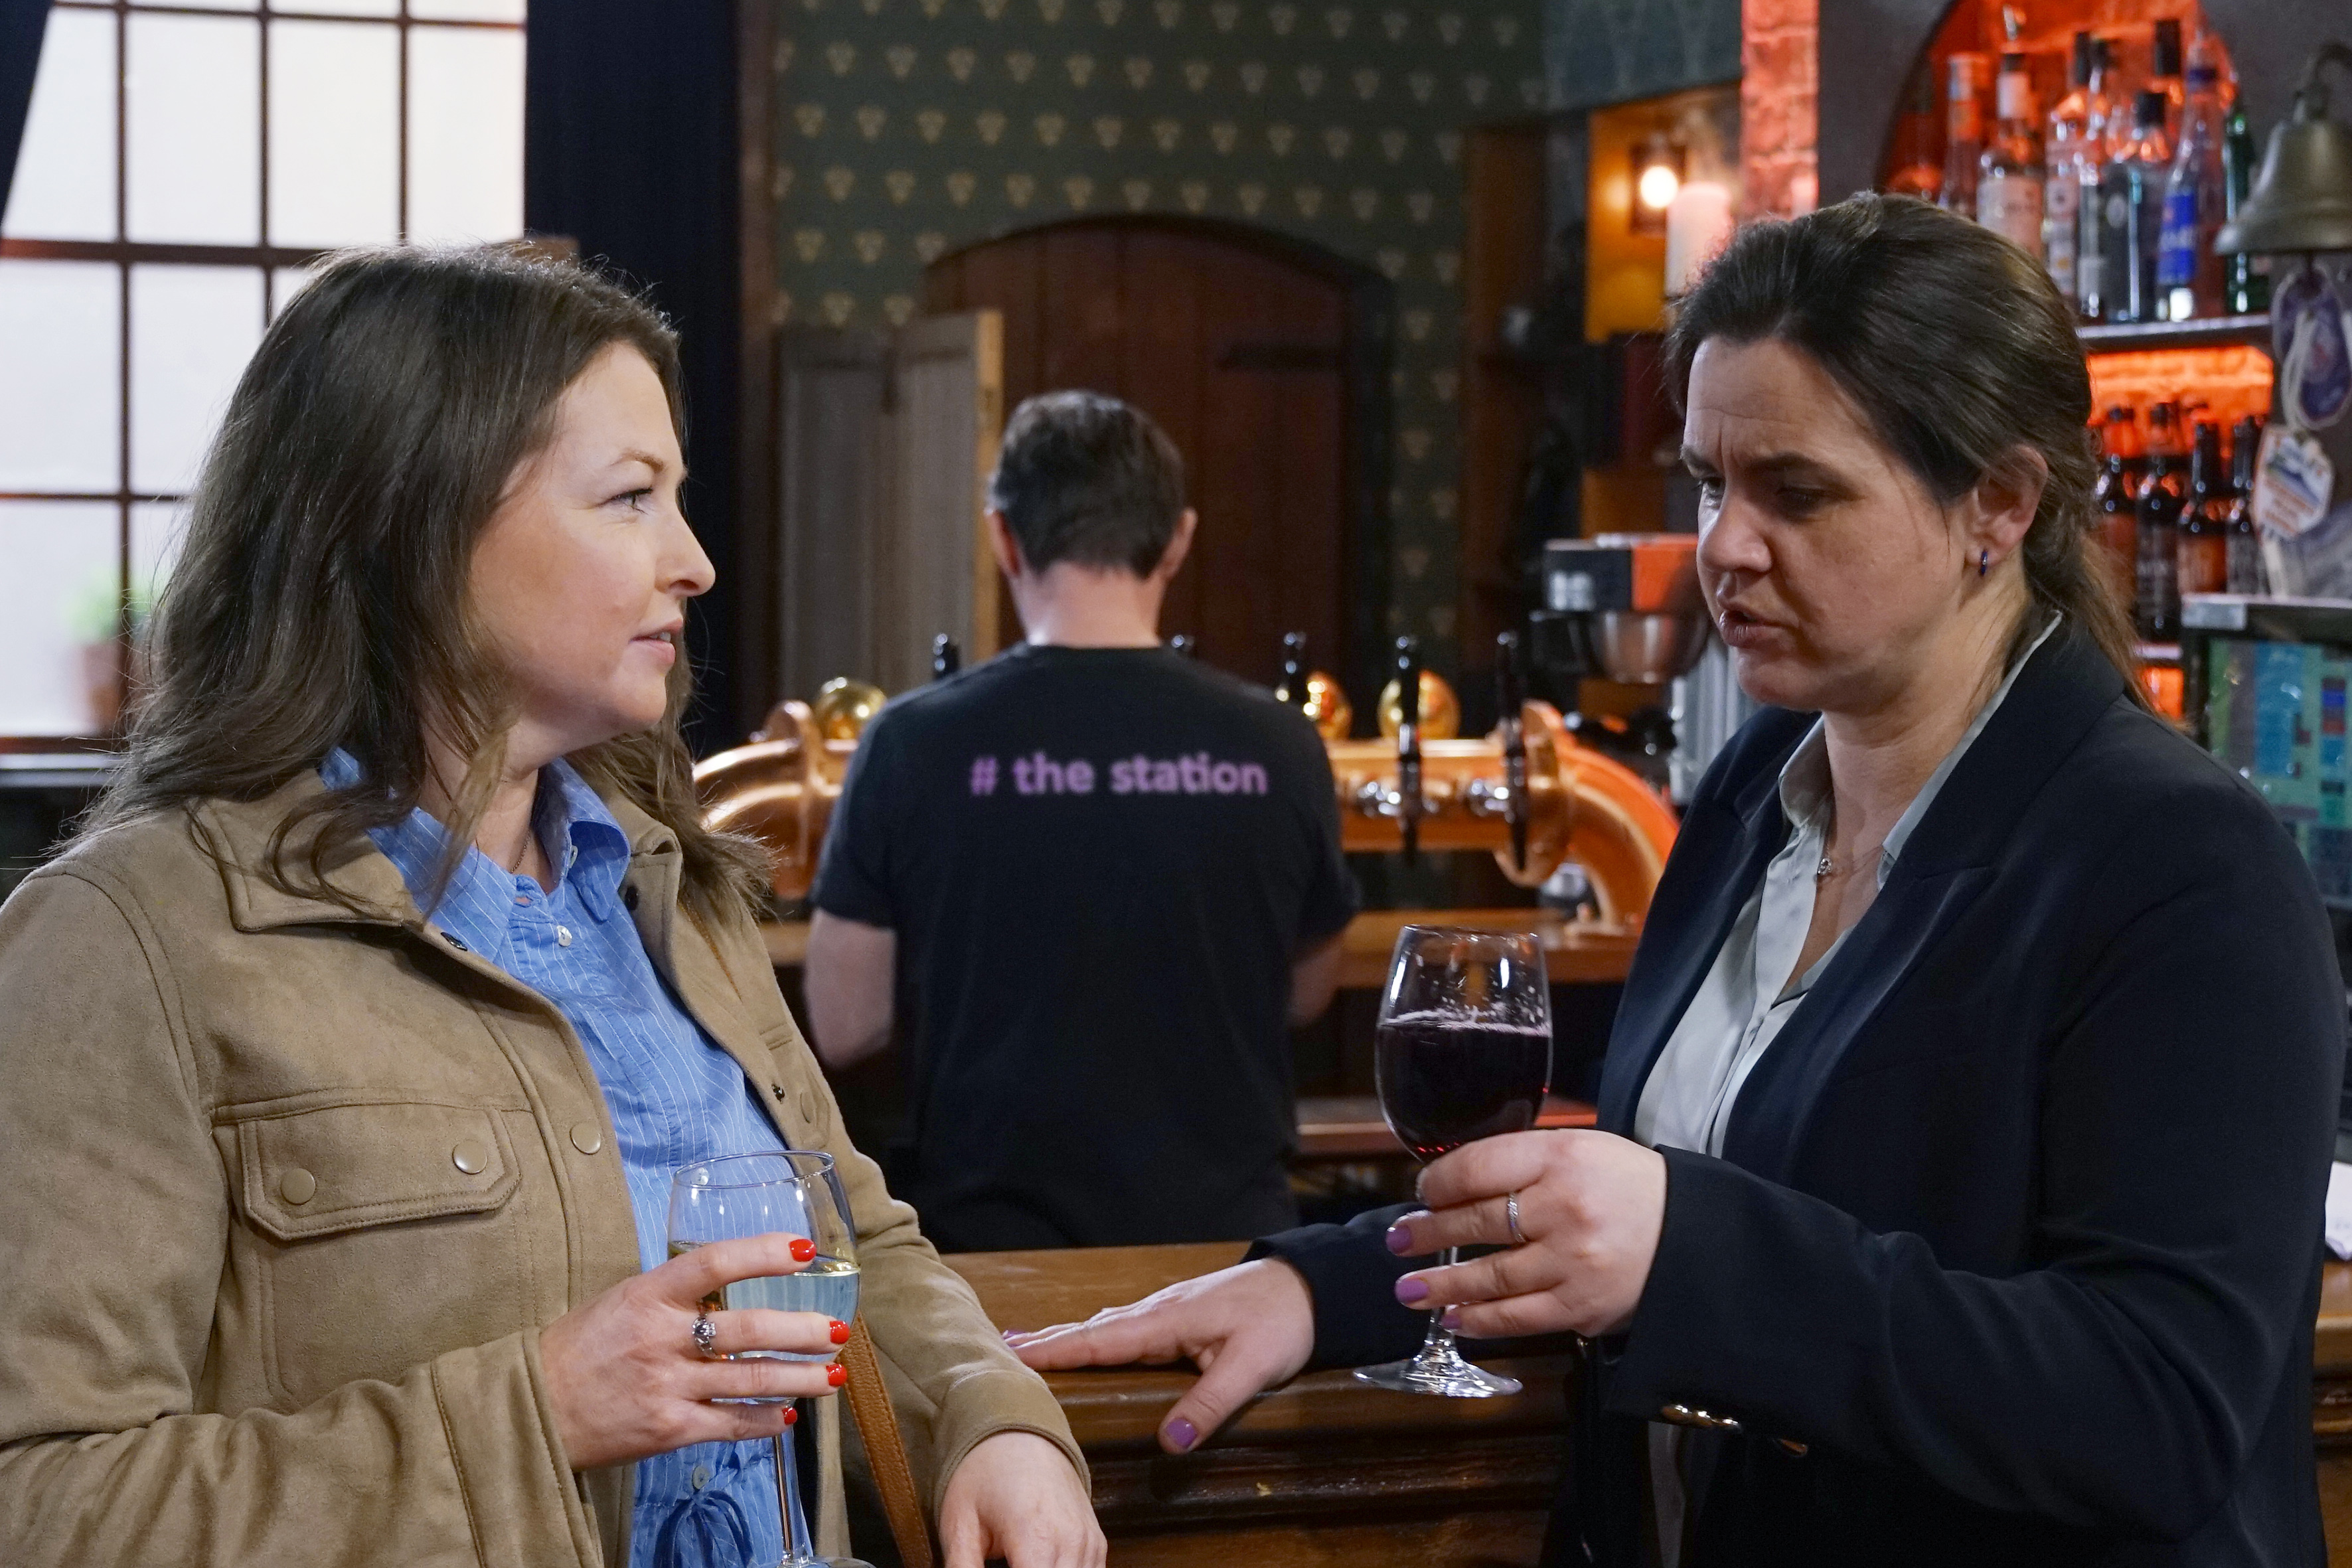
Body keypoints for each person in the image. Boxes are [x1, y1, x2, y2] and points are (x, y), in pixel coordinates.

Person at [1010, 194, 2346, 1565]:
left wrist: (1687, 1250)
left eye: (1796, 491)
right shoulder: (1752, 789)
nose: (1722, 544)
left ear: (1996, 503)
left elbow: (2161, 1401)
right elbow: (1645, 1206)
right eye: (1710, 482)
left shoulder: (2179, 863)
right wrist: (1327, 1285)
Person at [0, 247, 1103, 1568]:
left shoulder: (674, 894)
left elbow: (854, 1239)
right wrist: (535, 1418)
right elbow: (37, 1497)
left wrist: (988, 1422)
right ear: (417, 523)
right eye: (630, 497)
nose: (694, 562)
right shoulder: (124, 941)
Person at [803, 390, 1358, 1253]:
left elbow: (844, 1026)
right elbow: (1308, 991)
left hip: (994, 1257)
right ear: (1178, 539)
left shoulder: (911, 743)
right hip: (1229, 1255)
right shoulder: (1281, 742)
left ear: (1003, 538)